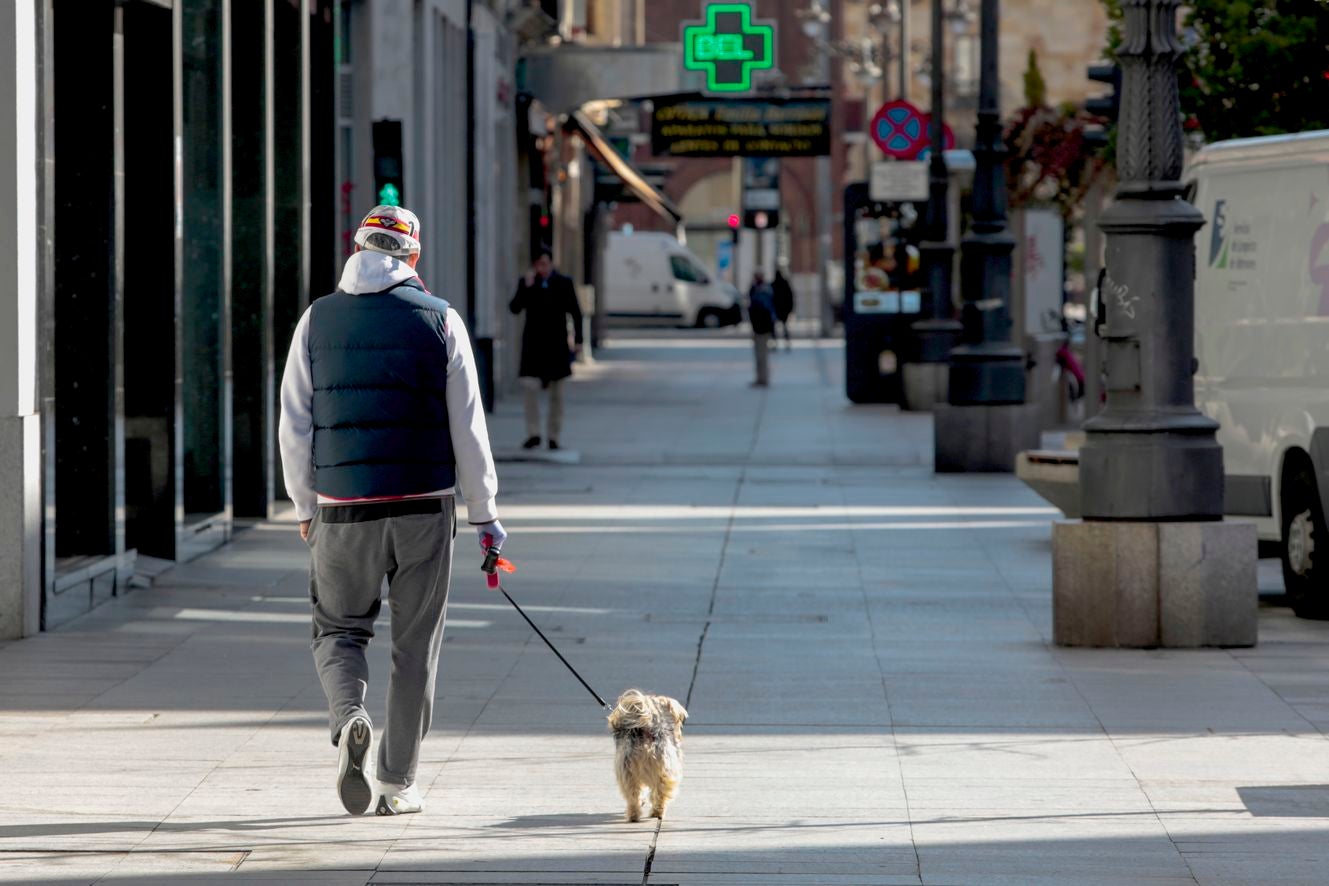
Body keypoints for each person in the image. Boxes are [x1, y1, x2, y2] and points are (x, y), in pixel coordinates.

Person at [278, 205, 504, 817]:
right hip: (423, 508)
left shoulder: (315, 320)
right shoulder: (442, 320)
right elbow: (469, 427)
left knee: (338, 629)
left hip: (341, 507)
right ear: (414, 258)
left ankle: (350, 715)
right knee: (414, 647)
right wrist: (484, 515)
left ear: (354, 248)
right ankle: (395, 784)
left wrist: (304, 504)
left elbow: (293, 423)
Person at [510, 249, 584, 450]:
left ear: (551, 264)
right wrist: (526, 288)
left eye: (544, 264)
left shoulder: (563, 283)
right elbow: (515, 308)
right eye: (538, 264)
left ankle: (553, 435)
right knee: (530, 389)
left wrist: (578, 340)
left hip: (556, 346)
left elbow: (576, 312)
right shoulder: (527, 283)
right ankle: (533, 433)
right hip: (533, 347)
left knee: (557, 394)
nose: (541, 268)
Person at [747, 271, 776, 388]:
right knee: (759, 355)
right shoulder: (757, 290)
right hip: (758, 327)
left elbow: (768, 311)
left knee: (762, 355)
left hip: (762, 328)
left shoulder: (764, 292)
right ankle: (760, 378)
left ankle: (763, 378)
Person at [772, 269, 795, 351]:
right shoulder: (785, 283)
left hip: (776, 309)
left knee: (774, 328)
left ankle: (775, 343)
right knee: (784, 327)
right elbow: (790, 297)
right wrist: (790, 308)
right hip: (784, 309)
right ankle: (787, 342)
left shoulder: (773, 284)